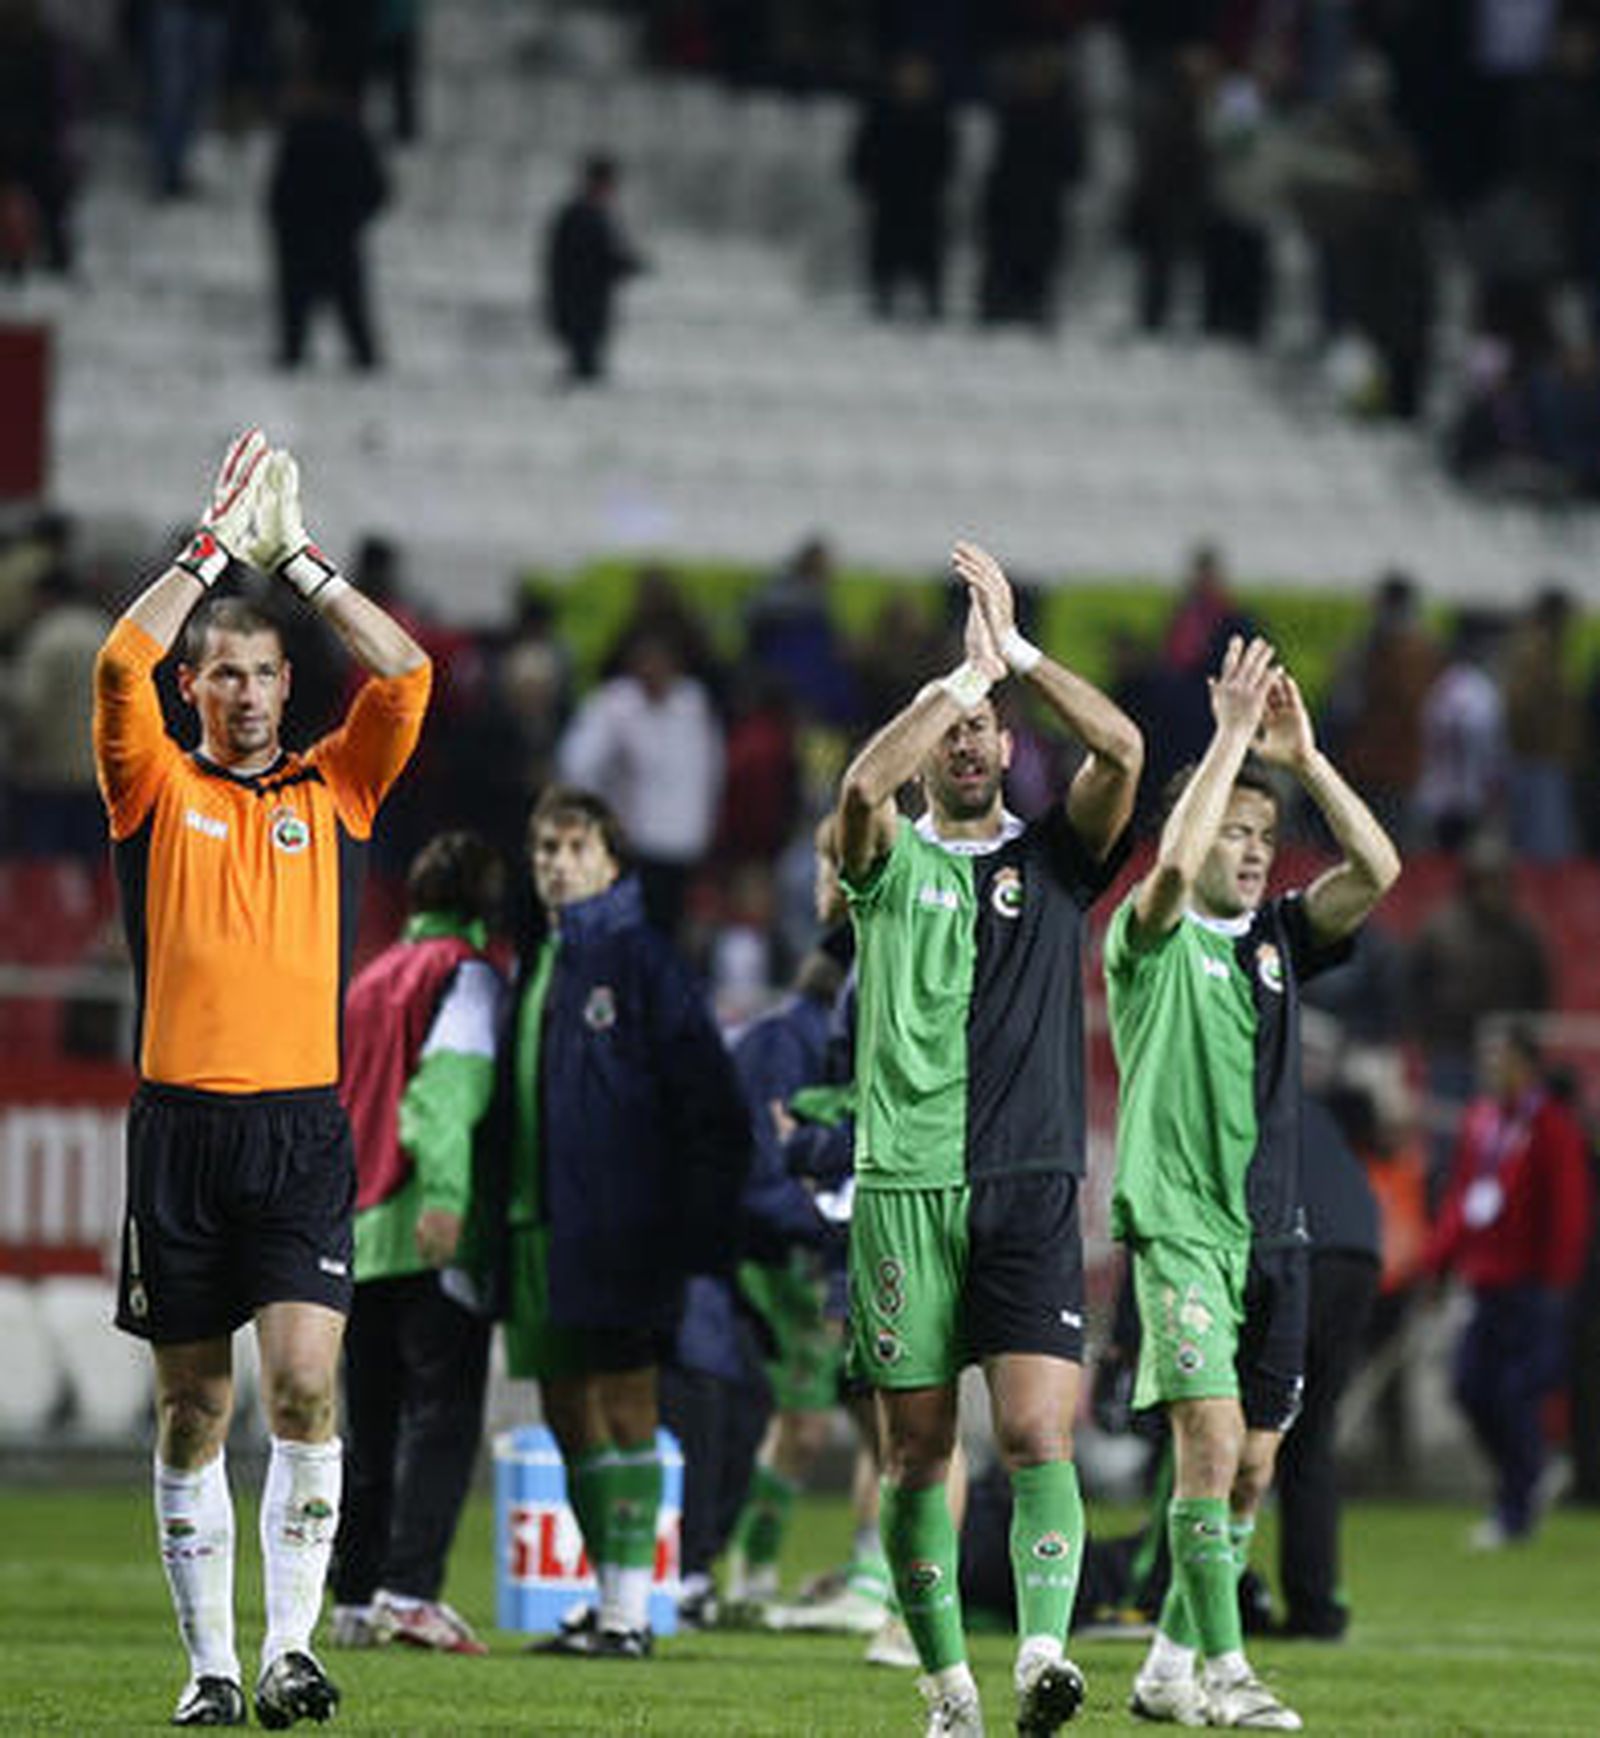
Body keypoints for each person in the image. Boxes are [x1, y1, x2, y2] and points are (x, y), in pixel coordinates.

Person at [92, 429, 432, 1728]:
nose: (241, 692)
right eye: (221, 674)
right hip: (179, 1131)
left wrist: (300, 560)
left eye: (262, 672)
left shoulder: (337, 787)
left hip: (298, 1131)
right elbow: (122, 656)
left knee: (302, 1384)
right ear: (196, 692)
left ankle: (290, 1646)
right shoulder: (152, 786)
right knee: (195, 1403)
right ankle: (212, 1667)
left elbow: (405, 671)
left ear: (291, 686)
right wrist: (213, 547)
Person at [836, 540, 1144, 1737]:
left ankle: (1043, 1656)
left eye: (985, 727)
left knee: (1033, 1430)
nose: (969, 741)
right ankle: (949, 1688)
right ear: (933, 750)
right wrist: (948, 685)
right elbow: (859, 795)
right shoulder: (886, 863)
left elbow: (1121, 750)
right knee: (916, 1452)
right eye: (954, 731)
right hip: (903, 1181)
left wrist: (1013, 655)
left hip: (1026, 1182)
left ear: (1011, 749)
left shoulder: (1054, 863)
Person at [1104, 635, 1399, 1730]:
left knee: (1248, 1473)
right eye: (1230, 825)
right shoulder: (1149, 937)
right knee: (1211, 1443)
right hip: (1178, 1224)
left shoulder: (1276, 938)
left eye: (1259, 835)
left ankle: (1167, 1666)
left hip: (1276, 1230)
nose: (1245, 848)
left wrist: (1306, 763)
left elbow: (1378, 873)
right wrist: (1226, 742)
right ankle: (1229, 1676)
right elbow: (1170, 871)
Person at [464, 785, 749, 1658]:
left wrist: (691, 1216)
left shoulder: (642, 962)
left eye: (575, 848)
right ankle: (604, 1594)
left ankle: (630, 1610)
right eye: (545, 848)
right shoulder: (537, 958)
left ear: (611, 862)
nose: (556, 863)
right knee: (564, 1411)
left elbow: (707, 1096)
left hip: (623, 1226)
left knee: (625, 1406)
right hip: (536, 1227)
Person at [329, 830, 506, 1655]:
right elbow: (445, 1094)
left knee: (368, 1426)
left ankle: (354, 1597)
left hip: (356, 1231)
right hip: (427, 1226)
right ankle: (409, 1592)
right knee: (441, 1418)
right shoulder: (465, 975)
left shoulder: (368, 980)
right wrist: (446, 1200)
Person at [1426, 1022, 1594, 1547]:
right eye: (1486, 1056)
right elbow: (1461, 1198)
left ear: (1526, 1063)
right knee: (1470, 1387)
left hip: (1533, 1285)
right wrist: (1440, 1263)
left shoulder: (1550, 1125)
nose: (1489, 1067)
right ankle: (1527, 1475)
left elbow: (1567, 1207)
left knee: (1518, 1396)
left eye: (1500, 1057)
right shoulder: (1481, 1119)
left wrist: (1556, 1281)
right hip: (1485, 1279)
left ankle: (1515, 1508)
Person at [267, 67, 388, 371]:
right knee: (349, 310)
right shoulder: (348, 133)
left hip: (308, 236)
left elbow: (277, 193)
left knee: (302, 312)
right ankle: (361, 362)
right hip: (336, 234)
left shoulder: (303, 132)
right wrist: (353, 218)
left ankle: (296, 357)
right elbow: (378, 190)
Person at [541, 154, 645, 386]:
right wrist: (626, 264)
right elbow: (590, 261)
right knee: (584, 368)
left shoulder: (585, 214)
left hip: (586, 305)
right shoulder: (582, 216)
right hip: (581, 306)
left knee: (585, 365)